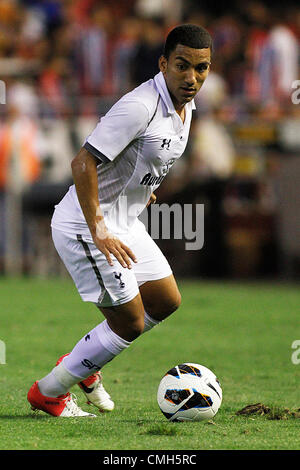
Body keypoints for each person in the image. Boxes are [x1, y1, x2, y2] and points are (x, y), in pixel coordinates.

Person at [27, 24, 212, 417]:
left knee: (165, 301)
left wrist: (142, 191)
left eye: (201, 68)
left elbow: (138, 161)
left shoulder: (186, 108)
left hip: (124, 221)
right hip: (85, 227)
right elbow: (82, 162)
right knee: (127, 323)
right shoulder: (140, 105)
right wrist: (98, 229)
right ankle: (48, 392)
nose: (192, 77)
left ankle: (84, 360)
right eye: (182, 66)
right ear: (164, 64)